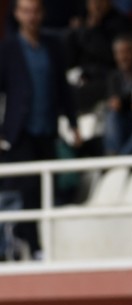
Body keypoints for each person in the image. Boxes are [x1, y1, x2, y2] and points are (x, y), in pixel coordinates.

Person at [0, 0, 80, 262]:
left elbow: (63, 89)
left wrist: (73, 123)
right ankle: (31, 243)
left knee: (46, 188)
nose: (31, 16)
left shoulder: (53, 46)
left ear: (42, 13)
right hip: (20, 131)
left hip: (47, 128)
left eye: (35, 11)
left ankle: (29, 238)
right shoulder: (8, 49)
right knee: (28, 187)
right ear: (17, 14)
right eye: (26, 11)